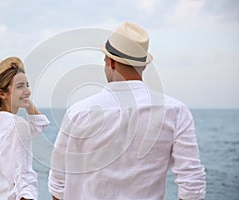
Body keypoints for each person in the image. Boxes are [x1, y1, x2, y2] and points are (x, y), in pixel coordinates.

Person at [48, 22, 206, 200]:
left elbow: (58, 183)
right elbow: (192, 184)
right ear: (144, 65)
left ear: (111, 63)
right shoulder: (176, 112)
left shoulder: (79, 112)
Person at [0, 56, 50, 200]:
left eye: (27, 85)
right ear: (2, 93)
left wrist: (27, 103)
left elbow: (37, 127)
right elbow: (21, 179)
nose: (28, 91)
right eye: (20, 86)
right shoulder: (15, 125)